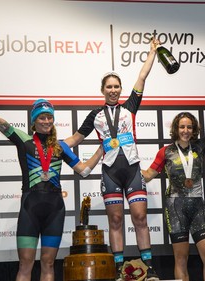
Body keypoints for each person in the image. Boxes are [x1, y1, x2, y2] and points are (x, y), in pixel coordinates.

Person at [0, 74, 103, 281]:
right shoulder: (24, 140)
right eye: (42, 117)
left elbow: (83, 170)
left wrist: (102, 149)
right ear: (34, 120)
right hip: (30, 206)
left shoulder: (61, 146)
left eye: (49, 117)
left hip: (55, 209)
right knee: (25, 265)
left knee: (48, 264)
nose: (46, 121)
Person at [64, 38, 160, 281]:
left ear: (120, 88)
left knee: (140, 218)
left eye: (117, 86)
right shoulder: (95, 115)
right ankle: (119, 267)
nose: (113, 90)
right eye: (109, 87)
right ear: (102, 90)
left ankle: (148, 267)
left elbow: (142, 77)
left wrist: (152, 52)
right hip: (110, 171)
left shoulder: (130, 107)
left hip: (132, 170)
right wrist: (50, 143)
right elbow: (75, 139)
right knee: (115, 220)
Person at [142, 84, 205, 281]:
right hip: (175, 208)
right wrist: (126, 164)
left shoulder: (200, 146)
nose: (185, 130)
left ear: (193, 129)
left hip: (198, 207)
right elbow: (148, 175)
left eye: (189, 127)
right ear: (176, 129)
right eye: (182, 127)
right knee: (181, 259)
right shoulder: (165, 151)